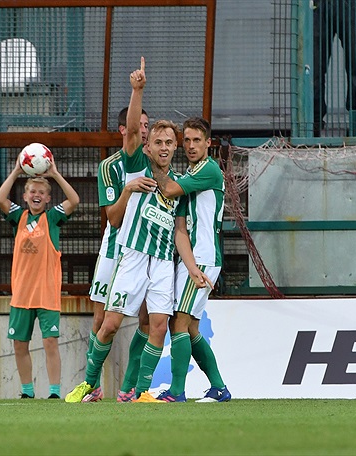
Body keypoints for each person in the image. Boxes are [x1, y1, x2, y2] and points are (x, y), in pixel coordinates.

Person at [65, 58, 209, 403]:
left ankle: (138, 391)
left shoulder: (179, 184)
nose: (163, 147)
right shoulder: (135, 165)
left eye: (168, 143)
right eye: (157, 142)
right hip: (131, 257)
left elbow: (180, 231)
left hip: (161, 263)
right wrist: (137, 90)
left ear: (175, 147)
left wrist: (191, 269)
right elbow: (131, 130)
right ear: (148, 146)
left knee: (158, 325)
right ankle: (90, 383)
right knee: (111, 323)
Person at [148, 117, 230, 403]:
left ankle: (177, 391)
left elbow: (168, 189)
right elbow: (180, 230)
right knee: (190, 327)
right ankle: (219, 388)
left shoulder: (209, 171)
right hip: (193, 261)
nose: (192, 145)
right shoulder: (188, 175)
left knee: (179, 324)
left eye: (198, 140)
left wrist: (154, 161)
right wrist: (189, 265)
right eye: (188, 140)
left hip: (205, 257)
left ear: (208, 143)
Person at [80, 107, 155, 403]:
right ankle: (92, 386)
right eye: (140, 125)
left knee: (148, 319)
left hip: (147, 250)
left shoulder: (155, 163)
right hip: (114, 248)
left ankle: (129, 388)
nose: (145, 130)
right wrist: (128, 190)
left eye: (148, 125)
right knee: (101, 320)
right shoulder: (110, 166)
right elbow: (113, 218)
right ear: (124, 129)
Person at [0, 155, 80, 399]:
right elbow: (0, 198)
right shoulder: (18, 217)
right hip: (21, 294)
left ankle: (54, 392)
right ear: (25, 196)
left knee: (50, 342)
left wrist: (54, 174)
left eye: (41, 192)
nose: (36, 195)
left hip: (47, 294)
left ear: (48, 198)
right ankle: (27, 391)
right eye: (32, 191)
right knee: (20, 344)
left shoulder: (52, 218)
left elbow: (74, 200)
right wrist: (15, 172)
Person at [313, 0, 356, 135]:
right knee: (316, 69)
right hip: (322, 6)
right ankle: (314, 121)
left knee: (355, 66)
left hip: (349, 5)